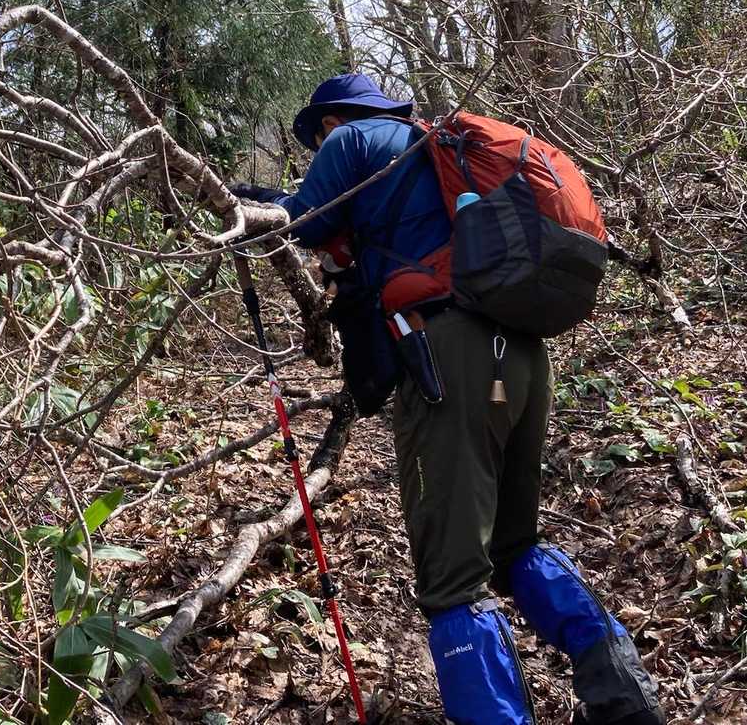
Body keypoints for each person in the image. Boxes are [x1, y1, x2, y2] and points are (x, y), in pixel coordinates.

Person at [231, 73, 663, 725]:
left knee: (452, 578)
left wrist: (248, 203)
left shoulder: (349, 140)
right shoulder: (434, 149)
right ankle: (625, 700)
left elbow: (306, 219)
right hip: (521, 353)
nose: (320, 147)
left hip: (449, 353)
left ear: (330, 122)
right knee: (515, 546)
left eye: (316, 138)